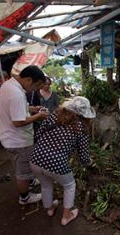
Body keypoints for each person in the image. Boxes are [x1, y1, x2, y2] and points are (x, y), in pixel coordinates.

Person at [30, 96, 96, 225]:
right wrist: (89, 162)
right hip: (57, 164)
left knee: (46, 185)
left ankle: (49, 209)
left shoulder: (53, 116)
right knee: (69, 186)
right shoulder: (81, 128)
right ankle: (66, 216)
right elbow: (83, 156)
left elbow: (37, 135)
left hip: (36, 159)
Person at [0, 65, 49, 205]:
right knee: (22, 170)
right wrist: (38, 116)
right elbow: (18, 122)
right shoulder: (17, 94)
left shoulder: (9, 85)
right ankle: (25, 197)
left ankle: (30, 181)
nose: (36, 90)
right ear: (28, 80)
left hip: (10, 137)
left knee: (25, 164)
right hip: (18, 140)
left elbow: (16, 108)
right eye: (36, 86)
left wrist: (32, 108)